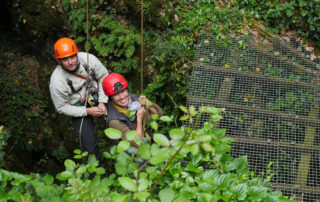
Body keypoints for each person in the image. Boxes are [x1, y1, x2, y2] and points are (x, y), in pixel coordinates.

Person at [49, 37, 109, 162]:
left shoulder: (88, 59)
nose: (70, 62)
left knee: (118, 111)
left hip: (95, 94)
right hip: (77, 106)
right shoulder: (57, 81)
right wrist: (87, 111)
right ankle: (97, 176)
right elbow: (61, 107)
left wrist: (103, 101)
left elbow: (104, 76)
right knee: (90, 147)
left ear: (76, 54)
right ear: (59, 61)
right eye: (65, 59)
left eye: (72, 57)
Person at [102, 73, 162, 146]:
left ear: (127, 90)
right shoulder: (114, 120)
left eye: (123, 91)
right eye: (116, 94)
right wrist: (139, 119)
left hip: (149, 141)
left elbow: (158, 115)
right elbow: (138, 144)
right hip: (132, 153)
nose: (122, 97)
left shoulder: (132, 99)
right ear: (111, 98)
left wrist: (148, 104)